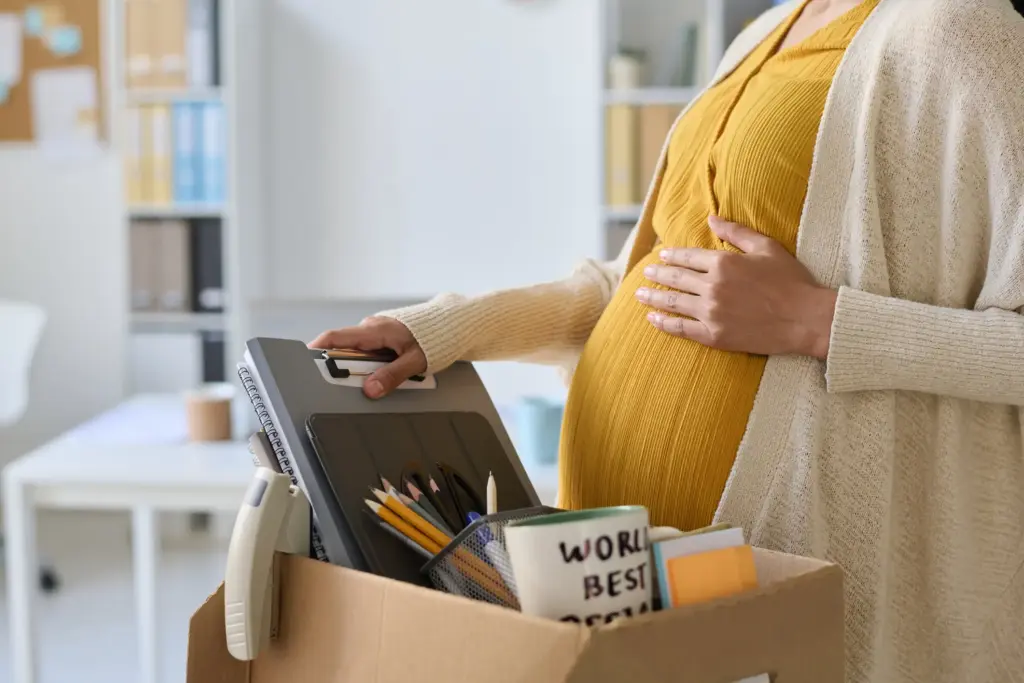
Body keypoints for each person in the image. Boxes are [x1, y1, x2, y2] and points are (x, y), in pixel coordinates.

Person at [312, 0, 1024, 680]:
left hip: (786, 549)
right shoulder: (765, 31)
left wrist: (815, 320)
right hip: (610, 553)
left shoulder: (966, 33)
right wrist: (445, 330)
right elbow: (640, 280)